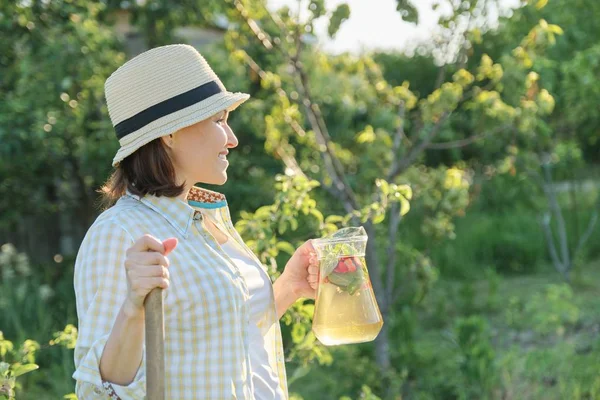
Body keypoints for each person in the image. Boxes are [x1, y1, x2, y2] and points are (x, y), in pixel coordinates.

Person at [72, 44, 320, 399]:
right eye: (219, 121)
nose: (232, 139)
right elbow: (97, 391)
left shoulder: (205, 220)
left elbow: (224, 336)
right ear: (169, 134)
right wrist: (132, 307)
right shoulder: (120, 233)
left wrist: (289, 287)